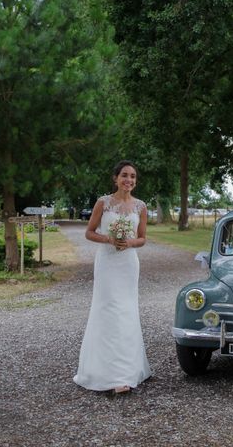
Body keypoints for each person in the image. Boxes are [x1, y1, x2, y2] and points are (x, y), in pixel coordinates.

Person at [74, 160, 151, 394]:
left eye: (133, 177)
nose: (129, 180)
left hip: (128, 264)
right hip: (107, 262)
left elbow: (143, 238)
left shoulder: (141, 207)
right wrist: (109, 239)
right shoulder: (103, 203)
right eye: (125, 176)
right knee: (108, 310)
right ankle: (105, 373)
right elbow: (89, 232)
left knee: (126, 311)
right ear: (115, 178)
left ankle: (127, 372)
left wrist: (128, 242)